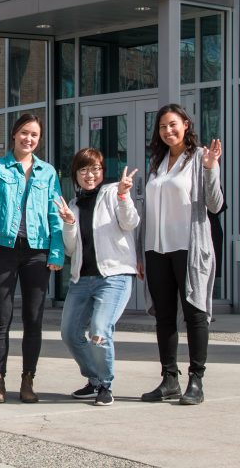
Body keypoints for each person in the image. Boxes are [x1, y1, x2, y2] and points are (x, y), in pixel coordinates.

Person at [0, 114, 63, 403]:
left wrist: (56, 250)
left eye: (34, 135)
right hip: (3, 248)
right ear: (14, 135)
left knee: (33, 319)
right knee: (2, 318)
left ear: (39, 139)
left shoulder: (47, 172)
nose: (29, 139)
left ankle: (28, 380)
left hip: (37, 251)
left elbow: (55, 212)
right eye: (24, 133)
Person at [141, 104, 223, 405]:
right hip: (156, 248)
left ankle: (196, 380)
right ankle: (169, 379)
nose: (168, 131)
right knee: (164, 317)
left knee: (194, 314)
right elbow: (147, 210)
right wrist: (141, 251)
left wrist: (212, 169)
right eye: (163, 127)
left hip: (188, 249)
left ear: (186, 125)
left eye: (173, 125)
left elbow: (215, 205)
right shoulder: (157, 162)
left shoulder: (201, 158)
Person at [55, 149, 140, 407]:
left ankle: (105, 384)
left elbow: (130, 223)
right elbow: (70, 249)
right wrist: (69, 223)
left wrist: (124, 195)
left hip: (114, 276)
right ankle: (94, 379)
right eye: (83, 170)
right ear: (75, 175)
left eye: (95, 170)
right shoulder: (73, 205)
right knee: (69, 333)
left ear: (102, 172)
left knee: (100, 330)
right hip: (82, 279)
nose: (89, 175)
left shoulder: (114, 193)